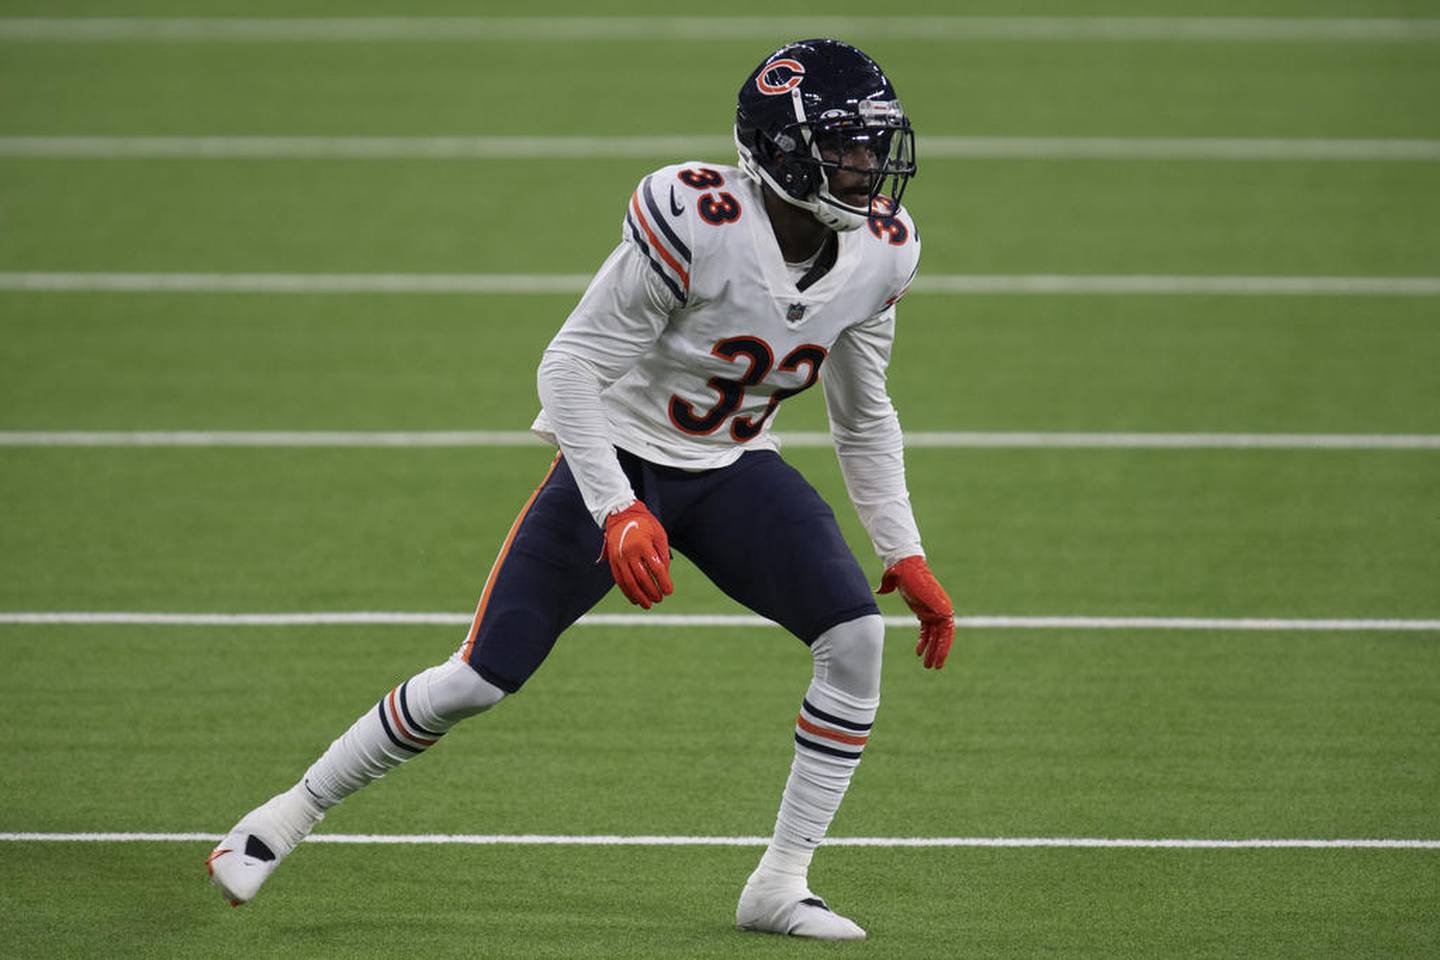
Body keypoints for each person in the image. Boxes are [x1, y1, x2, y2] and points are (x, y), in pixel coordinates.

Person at [207, 38, 955, 941]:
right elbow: (566, 369)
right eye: (844, 145)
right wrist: (618, 506)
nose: (867, 166)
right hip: (624, 452)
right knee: (480, 678)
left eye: (875, 145)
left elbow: (863, 413)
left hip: (730, 468)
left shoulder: (881, 249)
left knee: (854, 639)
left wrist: (901, 548)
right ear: (781, 149)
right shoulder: (699, 217)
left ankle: (780, 883)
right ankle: (283, 815)